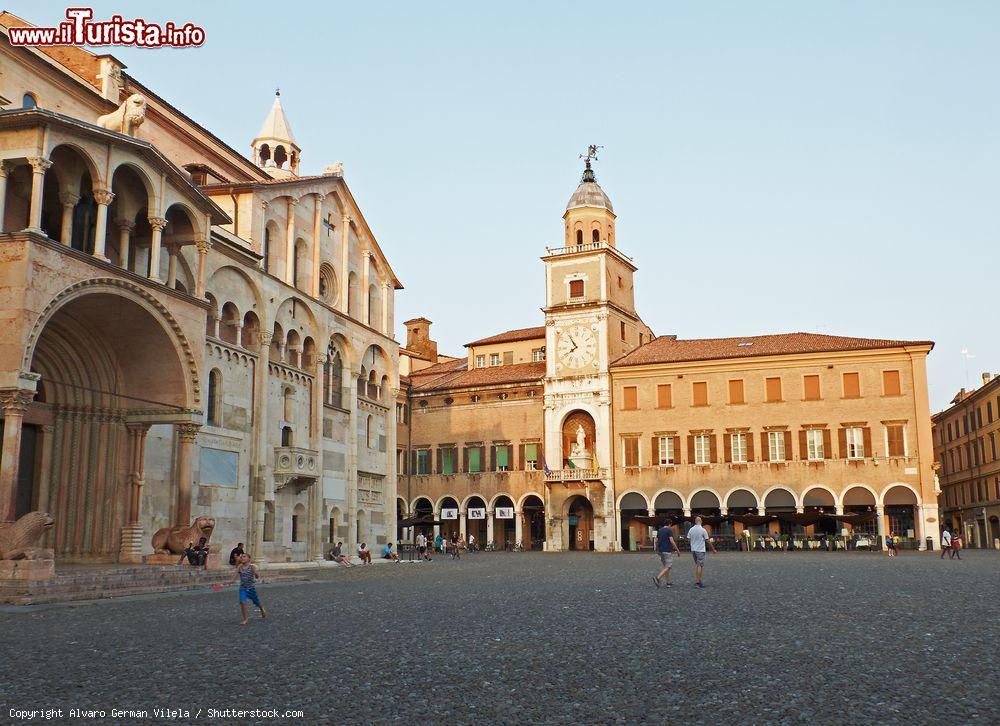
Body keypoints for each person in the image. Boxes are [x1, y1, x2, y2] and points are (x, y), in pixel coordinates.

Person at [236, 553, 266, 625]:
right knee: (243, 602)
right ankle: (245, 619)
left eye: (244, 557)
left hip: (251, 588)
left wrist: (255, 573)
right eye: (241, 557)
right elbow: (234, 577)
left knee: (256, 602)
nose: (242, 558)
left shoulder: (252, 567)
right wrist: (227, 582)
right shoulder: (239, 567)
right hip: (243, 588)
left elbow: (257, 577)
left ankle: (261, 608)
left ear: (249, 559)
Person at [686, 517, 716, 589]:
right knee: (700, 565)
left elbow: (688, 539)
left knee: (698, 565)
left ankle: (699, 580)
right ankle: (697, 582)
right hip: (700, 550)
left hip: (693, 549)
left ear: (695, 522)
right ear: (701, 521)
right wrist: (713, 549)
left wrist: (692, 544)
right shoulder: (703, 530)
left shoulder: (691, 529)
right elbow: (707, 540)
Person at [653, 521, 680, 589]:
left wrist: (657, 549)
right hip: (667, 550)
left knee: (665, 567)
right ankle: (657, 578)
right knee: (668, 566)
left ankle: (668, 582)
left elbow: (656, 541)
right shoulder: (669, 530)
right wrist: (677, 549)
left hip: (661, 550)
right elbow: (671, 540)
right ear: (669, 524)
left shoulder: (659, 530)